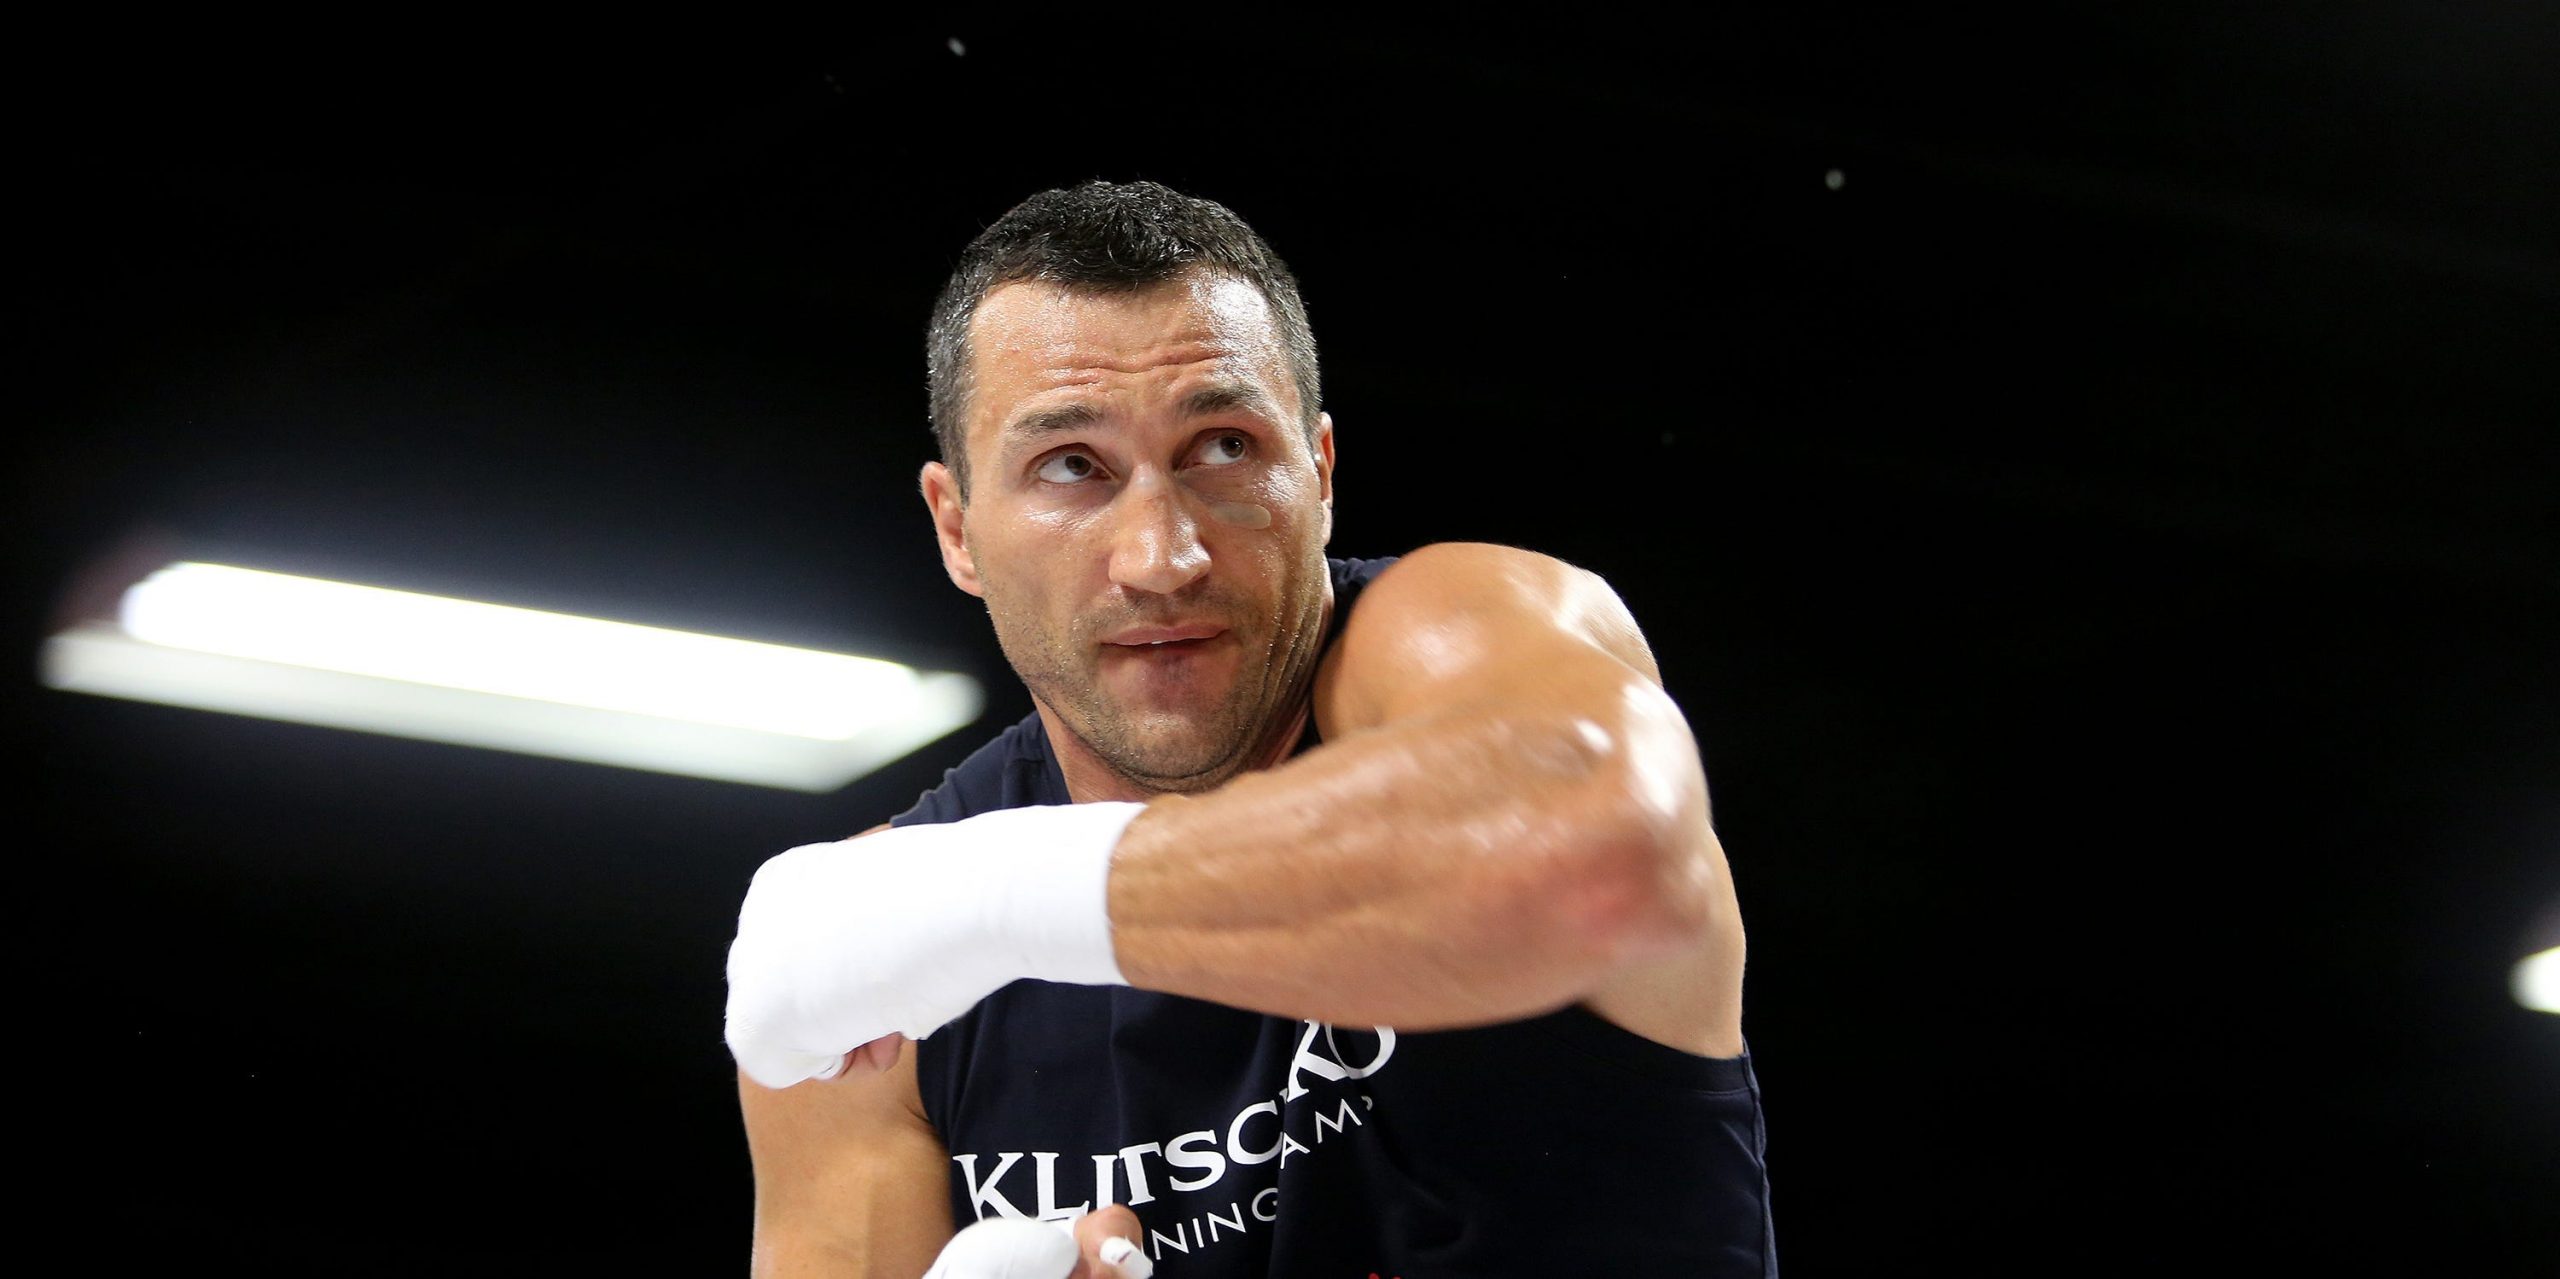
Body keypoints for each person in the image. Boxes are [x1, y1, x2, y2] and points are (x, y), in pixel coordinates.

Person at [728, 180, 1774, 1277]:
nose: (1161, 557)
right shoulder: (874, 982)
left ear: (1318, 473)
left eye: (1222, 447)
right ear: (958, 529)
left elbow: (1602, 858)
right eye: (1070, 467)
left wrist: (990, 903)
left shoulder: (1446, 642)